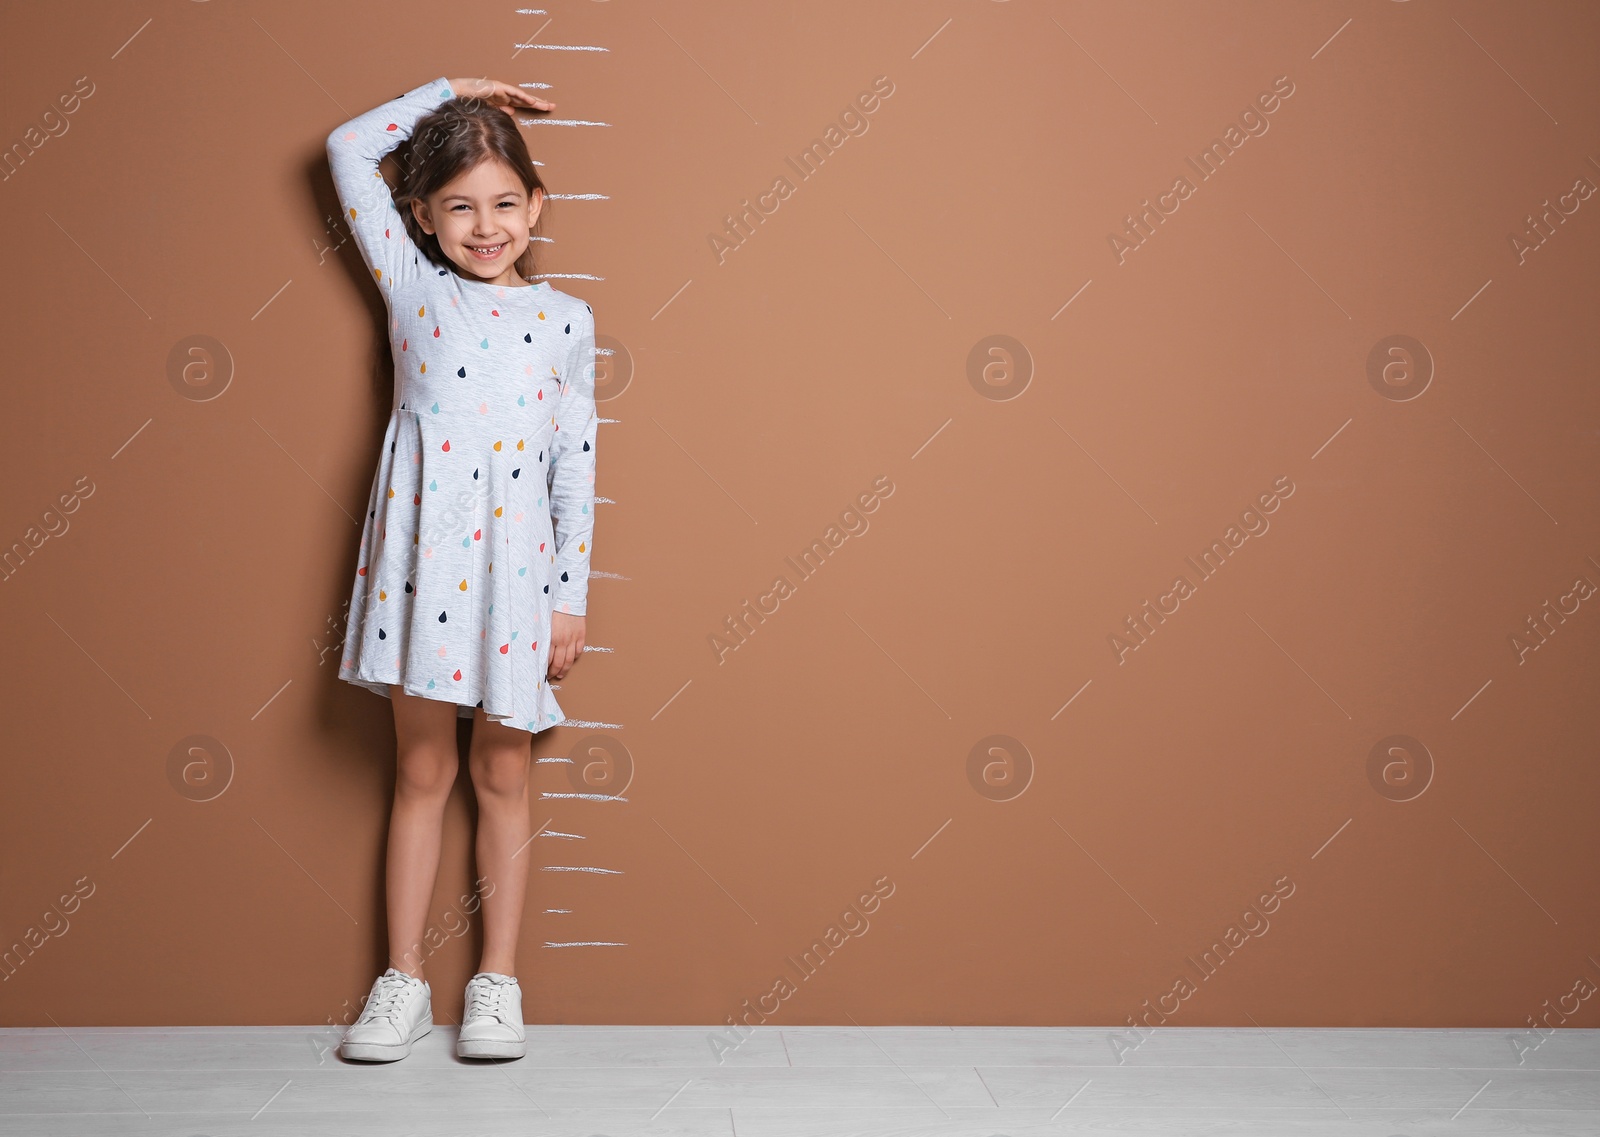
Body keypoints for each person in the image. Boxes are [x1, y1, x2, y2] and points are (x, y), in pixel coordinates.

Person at [324, 75, 599, 1062]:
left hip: (518, 583)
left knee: (502, 772)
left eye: (503, 203)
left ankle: (497, 986)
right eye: (459, 208)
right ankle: (400, 983)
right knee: (421, 769)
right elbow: (349, 147)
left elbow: (576, 469)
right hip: (421, 574)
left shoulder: (566, 322)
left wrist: (570, 601)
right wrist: (456, 89)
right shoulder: (413, 290)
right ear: (422, 220)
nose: (485, 227)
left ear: (536, 205)